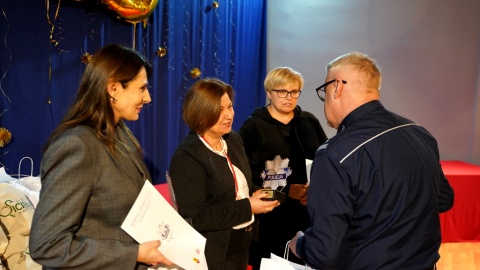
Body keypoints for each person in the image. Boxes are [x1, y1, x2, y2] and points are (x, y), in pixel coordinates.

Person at [288, 52, 455, 269]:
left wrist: (299, 244)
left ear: (337, 87)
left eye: (325, 91)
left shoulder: (335, 154)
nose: (325, 99)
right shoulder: (419, 133)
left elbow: (323, 253)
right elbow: (444, 199)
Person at [29, 44, 174, 269]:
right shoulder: (76, 144)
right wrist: (133, 253)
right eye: (142, 88)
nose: (148, 98)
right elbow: (47, 244)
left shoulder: (120, 133)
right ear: (114, 89)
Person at [168, 78, 280, 270]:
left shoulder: (232, 139)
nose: (229, 115)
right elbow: (196, 216)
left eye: (230, 106)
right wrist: (248, 207)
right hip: (212, 252)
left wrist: (255, 193)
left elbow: (237, 185)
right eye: (220, 110)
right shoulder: (187, 156)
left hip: (242, 244)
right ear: (201, 114)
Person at [239, 67, 328, 268]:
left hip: (307, 216)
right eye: (282, 91)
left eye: (294, 91)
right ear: (269, 93)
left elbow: (325, 162)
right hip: (270, 219)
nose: (289, 97)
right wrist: (288, 193)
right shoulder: (253, 127)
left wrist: (313, 190)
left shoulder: (308, 122)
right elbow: (246, 178)